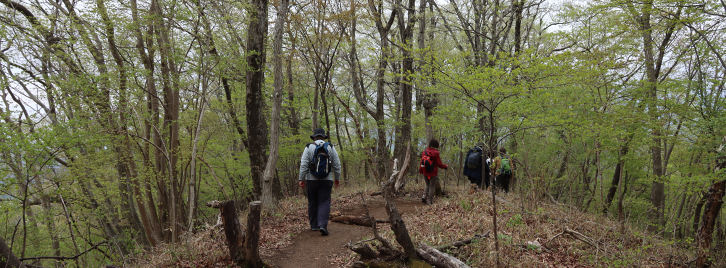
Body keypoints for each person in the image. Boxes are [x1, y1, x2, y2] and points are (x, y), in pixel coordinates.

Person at [298, 128, 341, 236]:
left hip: (311, 180)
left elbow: (304, 165)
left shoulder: (309, 147)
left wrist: (301, 179)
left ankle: (314, 225)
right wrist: (337, 178)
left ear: (314, 137)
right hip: (327, 180)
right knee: (324, 201)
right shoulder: (330, 147)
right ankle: (323, 225)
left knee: (312, 202)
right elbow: (337, 164)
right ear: (323, 137)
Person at [418, 139, 448, 204]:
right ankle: (429, 200)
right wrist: (445, 166)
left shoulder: (424, 151)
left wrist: (420, 170)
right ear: (436, 145)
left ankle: (424, 196)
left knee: (427, 184)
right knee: (432, 186)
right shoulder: (436, 153)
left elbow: (421, 162)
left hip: (425, 171)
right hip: (433, 172)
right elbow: (439, 164)